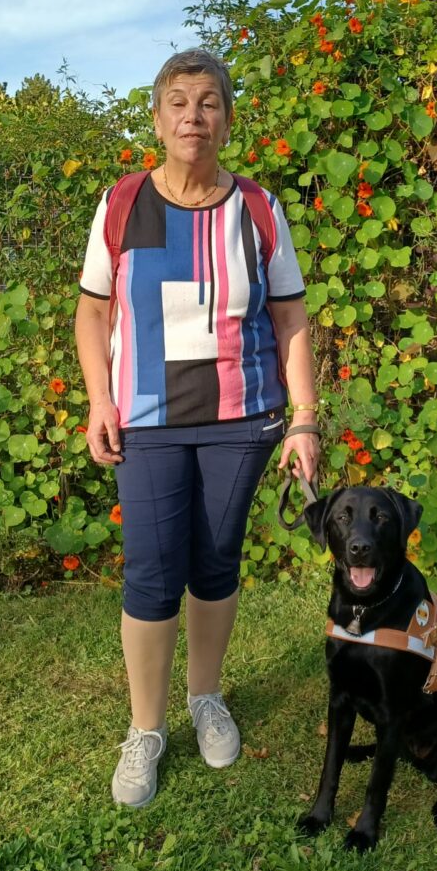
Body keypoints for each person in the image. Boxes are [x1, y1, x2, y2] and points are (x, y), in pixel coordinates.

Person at [75, 49, 319, 808]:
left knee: (214, 565)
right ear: (157, 119)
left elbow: (290, 319)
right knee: (151, 571)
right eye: (177, 102)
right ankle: (145, 730)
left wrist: (304, 418)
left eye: (208, 102)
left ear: (227, 120)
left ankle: (204, 699)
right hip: (143, 422)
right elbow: (91, 311)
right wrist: (98, 401)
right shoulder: (121, 204)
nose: (193, 116)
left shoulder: (256, 209)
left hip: (238, 421)